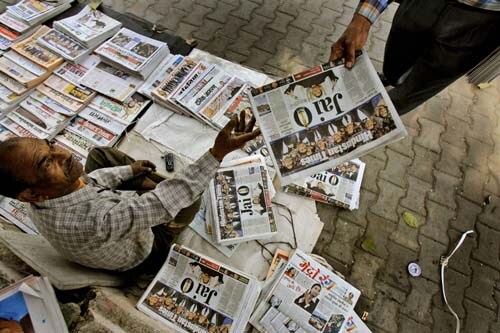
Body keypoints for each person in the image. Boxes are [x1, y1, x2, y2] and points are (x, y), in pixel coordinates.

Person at [0, 114, 259, 274]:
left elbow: (90, 182)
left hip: (108, 207)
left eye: (51, 145)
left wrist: (128, 171)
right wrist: (217, 153)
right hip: (145, 249)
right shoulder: (93, 222)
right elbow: (162, 202)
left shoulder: (48, 196)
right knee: (190, 199)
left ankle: (147, 182)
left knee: (99, 156)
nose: (64, 154)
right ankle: (160, 194)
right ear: (31, 194)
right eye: (46, 163)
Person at [330, 0, 500, 115]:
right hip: (422, 5)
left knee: (412, 92)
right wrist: (362, 19)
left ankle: (374, 120)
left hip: (486, 19)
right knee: (394, 63)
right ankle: (392, 79)